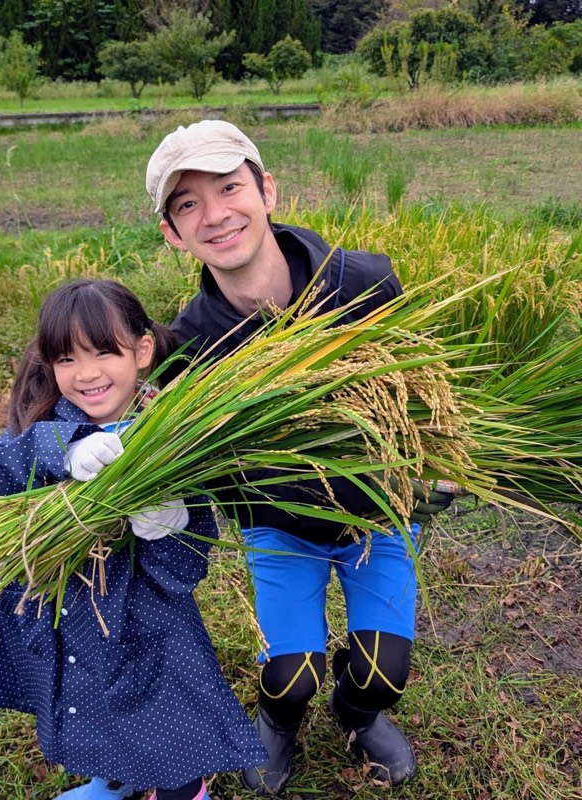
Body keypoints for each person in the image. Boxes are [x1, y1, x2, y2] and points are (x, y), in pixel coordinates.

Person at [145, 120, 454, 792]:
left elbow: (422, 393)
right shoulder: (188, 346)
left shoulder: (363, 281)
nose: (216, 214)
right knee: (291, 676)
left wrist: (434, 464)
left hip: (380, 517)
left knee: (383, 670)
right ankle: (277, 723)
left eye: (229, 188)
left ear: (267, 191)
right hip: (281, 530)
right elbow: (193, 461)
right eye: (187, 204)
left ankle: (359, 713)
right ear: (172, 233)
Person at [0, 278, 267, 800]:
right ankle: (114, 781)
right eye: (66, 360)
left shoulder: (173, 436)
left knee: (169, 729)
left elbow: (185, 569)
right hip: (75, 616)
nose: (85, 375)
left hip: (151, 628)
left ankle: (182, 791)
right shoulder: (54, 423)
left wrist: (172, 525)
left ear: (142, 351)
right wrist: (68, 452)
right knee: (94, 710)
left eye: (104, 353)